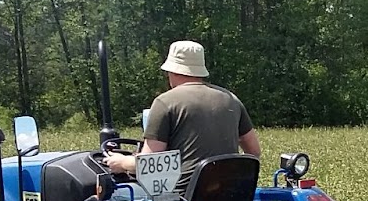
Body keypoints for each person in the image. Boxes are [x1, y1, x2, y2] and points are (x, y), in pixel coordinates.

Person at [103, 40, 261, 179]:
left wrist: (122, 162)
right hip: (227, 196)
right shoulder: (231, 99)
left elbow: (148, 165)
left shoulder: (165, 102)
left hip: (184, 198)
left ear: (172, 71)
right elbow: (253, 151)